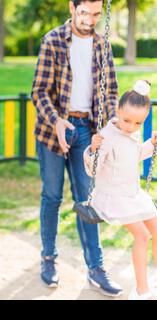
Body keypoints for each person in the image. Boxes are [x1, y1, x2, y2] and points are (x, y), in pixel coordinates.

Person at [31, 0, 122, 296]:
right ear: (72, 8)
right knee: (52, 195)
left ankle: (96, 268)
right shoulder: (53, 40)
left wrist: (107, 129)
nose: (91, 20)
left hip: (87, 131)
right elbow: (39, 90)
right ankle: (48, 259)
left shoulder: (102, 44)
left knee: (87, 199)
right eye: (85, 13)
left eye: (97, 14)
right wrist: (57, 121)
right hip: (54, 128)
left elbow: (111, 93)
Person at [84, 80, 157, 300]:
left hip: (132, 195)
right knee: (142, 235)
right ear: (117, 111)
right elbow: (92, 170)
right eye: (127, 120)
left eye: (138, 123)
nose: (131, 127)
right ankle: (141, 291)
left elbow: (133, 156)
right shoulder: (106, 136)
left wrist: (151, 145)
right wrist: (92, 149)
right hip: (112, 197)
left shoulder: (133, 131)